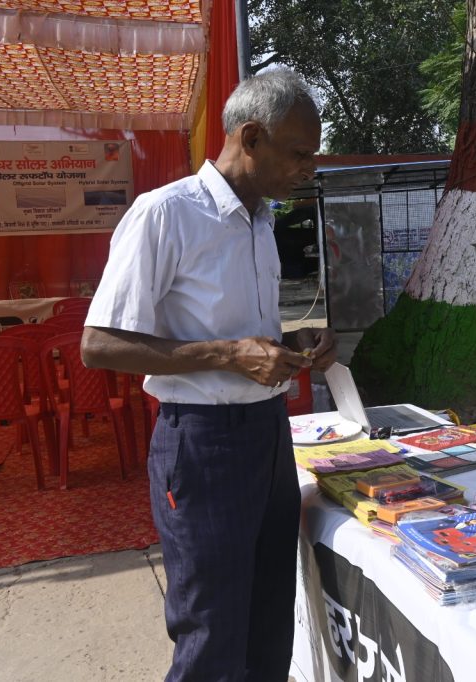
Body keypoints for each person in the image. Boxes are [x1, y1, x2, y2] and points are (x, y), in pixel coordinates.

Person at [80, 68, 335, 681]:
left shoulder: (262, 220)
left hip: (270, 436)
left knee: (270, 629)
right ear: (251, 138)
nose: (309, 168)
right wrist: (227, 355)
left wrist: (290, 344)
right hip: (202, 445)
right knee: (213, 641)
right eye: (299, 153)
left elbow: (245, 332)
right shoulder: (166, 213)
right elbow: (99, 344)